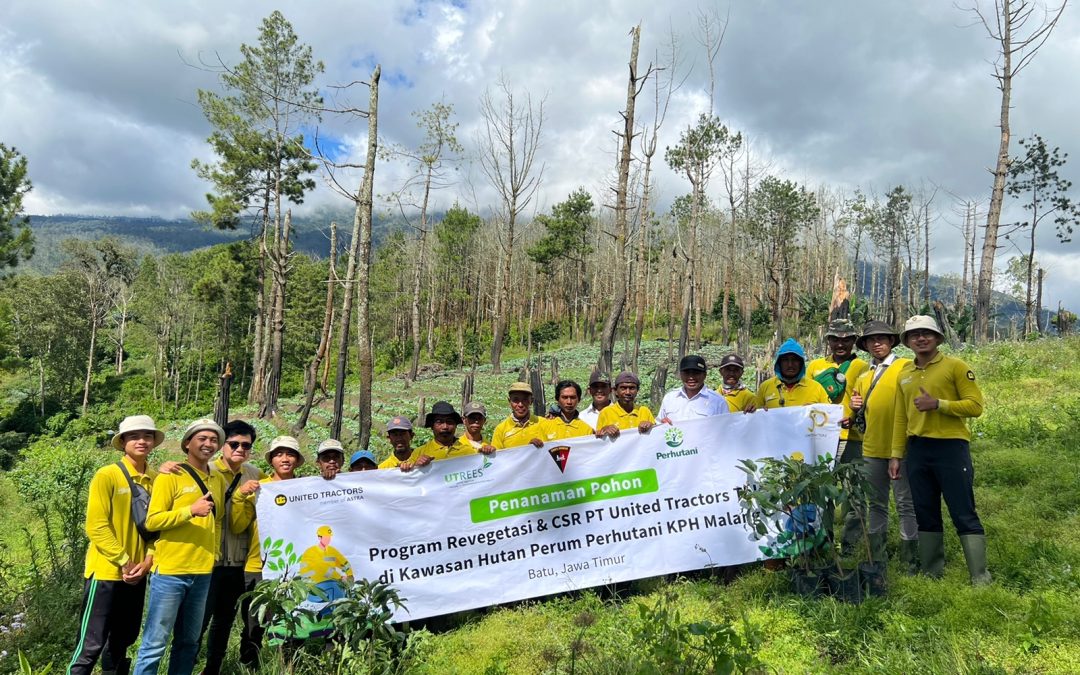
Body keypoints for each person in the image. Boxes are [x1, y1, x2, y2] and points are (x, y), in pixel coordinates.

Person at [891, 315, 989, 585]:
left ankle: (980, 576)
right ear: (908, 342)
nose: (920, 338)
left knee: (962, 509)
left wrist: (939, 405)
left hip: (951, 447)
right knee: (924, 509)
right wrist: (896, 455)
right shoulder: (905, 375)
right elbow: (902, 417)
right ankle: (932, 572)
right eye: (914, 335)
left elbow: (975, 406)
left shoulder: (955, 367)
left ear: (937, 337)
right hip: (918, 449)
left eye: (926, 333)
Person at [68, 415, 163, 675]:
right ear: (122, 442)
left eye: (147, 436)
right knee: (90, 644)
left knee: (123, 640)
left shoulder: (157, 479)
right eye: (134, 436)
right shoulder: (107, 475)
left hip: (139, 573)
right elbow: (96, 526)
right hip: (106, 572)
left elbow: (158, 529)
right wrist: (124, 561)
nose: (141, 441)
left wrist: (147, 561)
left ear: (154, 441)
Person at [134, 419, 227, 675]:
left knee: (189, 642)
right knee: (155, 643)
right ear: (187, 443)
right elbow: (152, 520)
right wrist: (189, 511)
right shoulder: (171, 475)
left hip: (203, 572)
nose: (209, 444)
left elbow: (216, 519)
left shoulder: (217, 478)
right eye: (202, 439)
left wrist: (214, 551)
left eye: (213, 440)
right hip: (171, 572)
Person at [849, 320, 919, 573]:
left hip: (901, 447)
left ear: (891, 341)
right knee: (875, 503)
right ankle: (877, 556)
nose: (877, 342)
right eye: (871, 339)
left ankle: (909, 558)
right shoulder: (863, 377)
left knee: (905, 502)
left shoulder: (905, 367)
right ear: (866, 345)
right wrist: (855, 408)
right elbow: (859, 420)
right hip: (871, 448)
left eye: (882, 338)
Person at [230, 435, 304, 670]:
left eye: (290, 454)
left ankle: (289, 667)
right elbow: (238, 525)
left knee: (292, 623)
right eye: (279, 454)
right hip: (257, 566)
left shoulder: (306, 488)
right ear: (271, 460)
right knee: (254, 625)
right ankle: (249, 667)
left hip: (294, 569)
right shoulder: (260, 490)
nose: (285, 459)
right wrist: (241, 496)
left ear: (297, 460)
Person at [199, 420, 263, 675]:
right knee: (199, 622)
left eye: (245, 445)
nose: (239, 449)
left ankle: (212, 668)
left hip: (238, 562)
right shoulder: (208, 471)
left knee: (223, 622)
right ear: (222, 445)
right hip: (209, 562)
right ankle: (184, 664)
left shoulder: (254, 475)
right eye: (233, 443)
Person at [754, 339, 831, 410]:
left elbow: (829, 415)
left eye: (795, 360)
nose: (790, 364)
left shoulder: (816, 388)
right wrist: (752, 412)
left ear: (801, 363)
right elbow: (755, 417)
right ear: (779, 363)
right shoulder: (765, 387)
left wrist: (816, 410)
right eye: (785, 360)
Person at [658, 355, 727, 423]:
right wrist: (661, 424)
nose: (691, 377)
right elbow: (658, 424)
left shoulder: (718, 401)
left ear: (705, 375)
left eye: (696, 373)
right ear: (680, 374)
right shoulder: (670, 398)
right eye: (687, 373)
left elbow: (726, 429)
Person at [299, 525, 354, 603]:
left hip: (334, 583)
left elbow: (344, 563)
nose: (328, 540)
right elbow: (303, 571)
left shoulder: (332, 551)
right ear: (319, 538)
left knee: (343, 594)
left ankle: (323, 614)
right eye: (326, 537)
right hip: (315, 588)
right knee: (335, 590)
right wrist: (308, 583)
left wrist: (349, 575)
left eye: (329, 537)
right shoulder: (310, 552)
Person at [531, 380, 593, 445]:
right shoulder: (545, 426)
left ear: (579, 399)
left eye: (573, 397)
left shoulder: (587, 430)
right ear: (557, 399)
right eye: (565, 397)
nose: (569, 402)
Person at [596, 371, 655, 438]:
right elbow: (598, 441)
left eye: (632, 388)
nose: (627, 392)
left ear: (637, 390)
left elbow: (655, 437)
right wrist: (604, 429)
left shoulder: (644, 411)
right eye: (623, 388)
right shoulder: (606, 412)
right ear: (615, 391)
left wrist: (650, 426)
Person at [491, 382, 543, 450]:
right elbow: (497, 457)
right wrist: (528, 449)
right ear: (509, 401)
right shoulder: (501, 429)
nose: (520, 405)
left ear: (531, 401)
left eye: (525, 399)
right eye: (516, 400)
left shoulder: (543, 423)